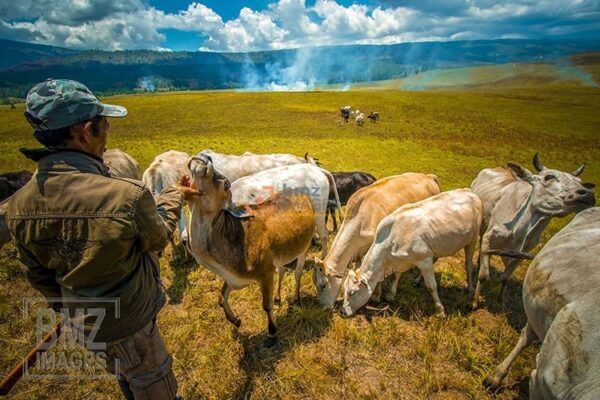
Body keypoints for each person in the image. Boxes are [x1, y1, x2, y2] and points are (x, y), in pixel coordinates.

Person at [5, 79, 198, 399]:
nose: (108, 135)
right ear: (85, 131)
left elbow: (40, 275)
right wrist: (173, 194)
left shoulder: (19, 205)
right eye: (104, 125)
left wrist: (73, 305)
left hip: (86, 326)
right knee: (153, 381)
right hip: (131, 324)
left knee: (124, 374)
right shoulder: (125, 197)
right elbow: (158, 237)